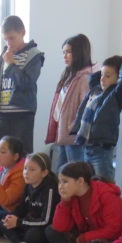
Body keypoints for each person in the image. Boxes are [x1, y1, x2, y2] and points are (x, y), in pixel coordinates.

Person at [69, 55, 122, 184]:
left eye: (108, 76)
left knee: (104, 185)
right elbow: (94, 78)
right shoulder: (96, 91)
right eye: (102, 75)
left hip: (101, 150)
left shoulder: (115, 95)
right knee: (89, 185)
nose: (102, 79)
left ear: (118, 78)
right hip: (86, 147)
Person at [44, 161, 122, 243]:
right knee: (50, 230)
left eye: (65, 181)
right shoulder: (72, 195)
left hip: (105, 238)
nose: (60, 186)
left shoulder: (107, 195)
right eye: (59, 182)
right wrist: (65, 202)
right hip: (84, 236)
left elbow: (113, 230)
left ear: (80, 181)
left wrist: (84, 237)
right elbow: (60, 227)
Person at [0, 15, 44, 154]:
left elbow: (27, 84)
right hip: (1, 116)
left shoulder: (34, 55)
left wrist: (11, 64)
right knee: (2, 158)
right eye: (5, 39)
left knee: (21, 158)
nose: (8, 43)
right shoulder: (4, 55)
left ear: (22, 32)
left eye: (12, 38)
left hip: (22, 115)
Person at [44, 34, 95, 171]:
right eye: (63, 52)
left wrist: (73, 126)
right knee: (61, 171)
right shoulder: (69, 74)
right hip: (64, 133)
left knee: (74, 172)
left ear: (79, 52)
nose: (65, 56)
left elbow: (86, 107)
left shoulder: (85, 78)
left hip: (74, 135)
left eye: (69, 52)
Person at [0, 152, 58, 243]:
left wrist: (18, 222)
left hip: (44, 225)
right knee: (3, 221)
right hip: (31, 221)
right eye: (25, 168)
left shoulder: (50, 189)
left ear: (44, 173)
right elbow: (22, 206)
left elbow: (46, 220)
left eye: (32, 169)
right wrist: (13, 216)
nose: (26, 173)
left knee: (32, 235)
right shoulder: (29, 184)